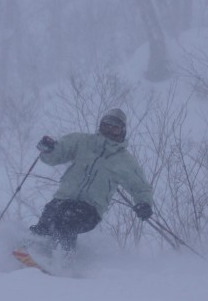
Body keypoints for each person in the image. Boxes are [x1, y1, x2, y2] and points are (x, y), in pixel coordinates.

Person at [30, 108, 154, 253]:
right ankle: (34, 252)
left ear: (122, 131)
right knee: (47, 221)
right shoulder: (81, 141)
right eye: (106, 125)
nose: (109, 130)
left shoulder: (124, 160)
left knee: (64, 223)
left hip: (90, 208)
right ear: (100, 126)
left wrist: (144, 203)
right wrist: (49, 149)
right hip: (62, 198)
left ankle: (64, 262)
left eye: (115, 128)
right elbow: (57, 155)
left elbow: (140, 186)